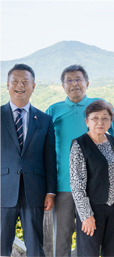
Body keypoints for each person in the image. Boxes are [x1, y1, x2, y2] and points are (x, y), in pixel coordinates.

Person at [46, 64, 114, 256]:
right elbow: (44, 149)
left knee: (92, 243)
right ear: (63, 85)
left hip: (97, 192)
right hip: (63, 186)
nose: (74, 84)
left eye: (78, 79)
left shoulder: (100, 107)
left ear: (87, 83)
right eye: (69, 80)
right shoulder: (53, 110)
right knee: (62, 240)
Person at [1, 64, 57, 256]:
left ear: (33, 86)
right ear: (7, 85)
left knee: (35, 246)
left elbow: (49, 158)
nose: (20, 85)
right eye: (15, 81)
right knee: (1, 244)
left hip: (34, 191)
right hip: (3, 189)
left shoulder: (44, 120)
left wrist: (50, 191)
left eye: (25, 81)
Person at [69, 100, 114, 256]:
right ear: (87, 121)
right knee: (89, 252)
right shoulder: (79, 145)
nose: (100, 122)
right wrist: (86, 216)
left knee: (113, 252)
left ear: (110, 122)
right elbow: (77, 184)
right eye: (95, 118)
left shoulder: (112, 141)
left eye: (105, 118)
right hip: (93, 210)